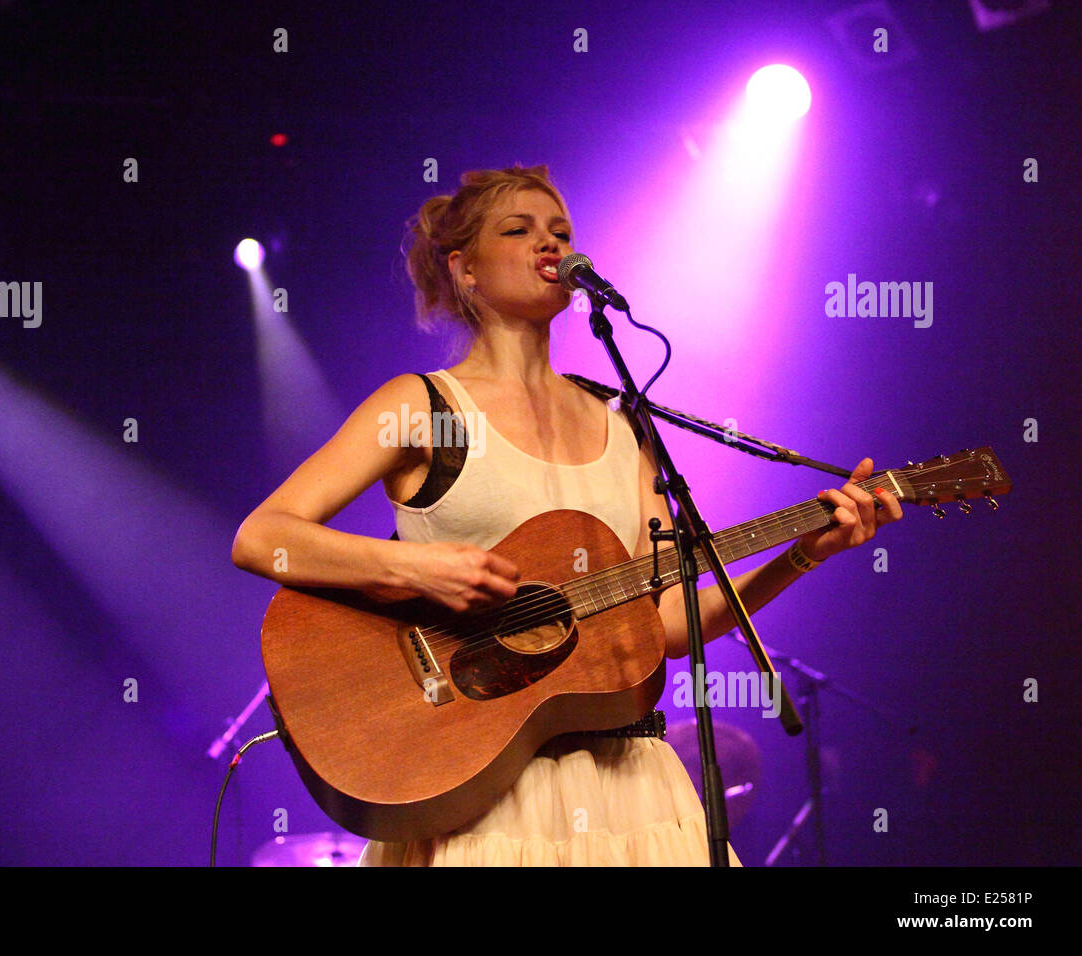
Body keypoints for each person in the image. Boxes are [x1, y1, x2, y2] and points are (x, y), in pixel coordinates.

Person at [230, 163, 903, 866]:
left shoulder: (624, 421)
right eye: (517, 231)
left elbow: (668, 625)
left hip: (634, 786)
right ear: (465, 271)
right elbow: (263, 537)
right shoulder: (424, 406)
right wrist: (416, 567)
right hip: (482, 796)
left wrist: (804, 553)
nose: (548, 245)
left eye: (560, 232)